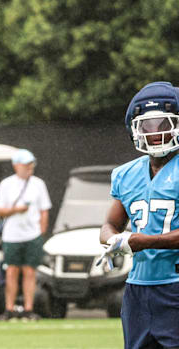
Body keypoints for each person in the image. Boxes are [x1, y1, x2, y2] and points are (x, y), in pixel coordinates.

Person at [97, 81, 179, 349]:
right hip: (138, 288)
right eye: (147, 126)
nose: (155, 134)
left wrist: (144, 241)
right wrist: (115, 241)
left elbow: (142, 239)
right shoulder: (126, 173)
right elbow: (110, 224)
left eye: (163, 125)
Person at [0, 148, 51, 321]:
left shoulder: (38, 184)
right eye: (26, 164)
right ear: (16, 166)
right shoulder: (6, 184)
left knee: (29, 272)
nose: (29, 167)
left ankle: (28, 309)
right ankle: (9, 310)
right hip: (11, 236)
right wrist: (14, 210)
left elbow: (44, 210)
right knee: (11, 271)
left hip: (32, 235)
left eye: (31, 164)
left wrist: (41, 231)